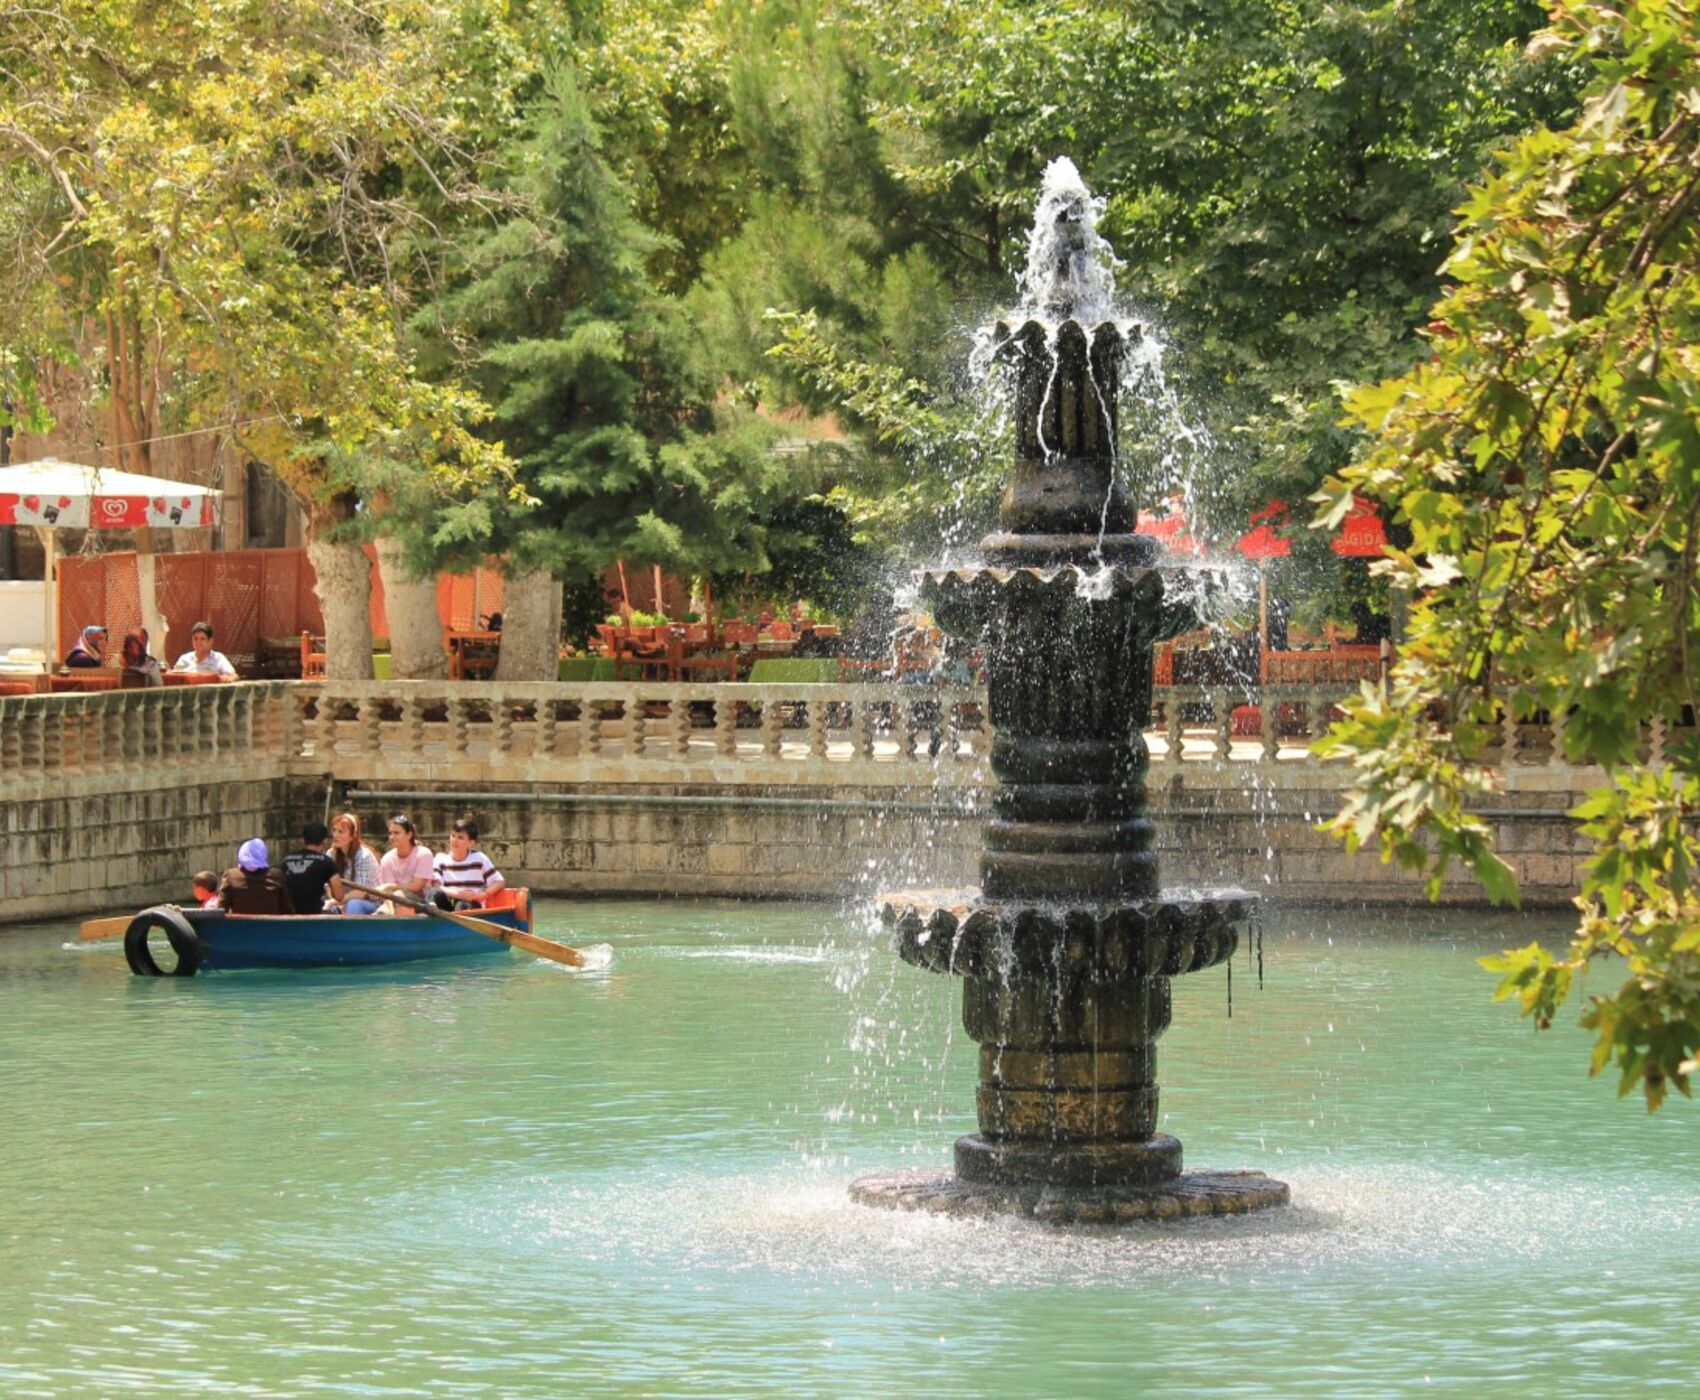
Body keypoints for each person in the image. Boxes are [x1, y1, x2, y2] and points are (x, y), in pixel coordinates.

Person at [431, 818, 506, 909]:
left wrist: (482, 895)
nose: (455, 840)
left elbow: (499, 882)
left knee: (462, 905)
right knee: (434, 893)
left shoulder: (479, 859)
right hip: (449, 902)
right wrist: (458, 895)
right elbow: (436, 886)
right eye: (453, 835)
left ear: (471, 843)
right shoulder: (440, 858)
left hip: (471, 903)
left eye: (460, 837)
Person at [217, 838, 295, 914]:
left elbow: (221, 909)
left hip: (240, 926)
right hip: (270, 926)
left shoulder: (231, 876)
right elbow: (287, 910)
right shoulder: (276, 876)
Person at [328, 811, 384, 915]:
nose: (335, 835)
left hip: (370, 903)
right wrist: (333, 901)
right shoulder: (331, 854)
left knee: (353, 904)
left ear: (353, 836)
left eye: (340, 832)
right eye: (334, 830)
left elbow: (360, 892)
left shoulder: (364, 855)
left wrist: (337, 901)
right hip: (342, 901)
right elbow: (327, 885)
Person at [377, 814, 434, 912]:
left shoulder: (424, 854)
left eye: (396, 833)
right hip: (394, 901)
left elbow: (416, 887)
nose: (392, 837)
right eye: (390, 833)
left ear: (409, 835)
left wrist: (392, 886)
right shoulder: (387, 859)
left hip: (422, 903)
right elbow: (389, 892)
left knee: (398, 896)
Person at [282, 821, 341, 913]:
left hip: (290, 914)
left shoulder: (286, 860)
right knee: (336, 910)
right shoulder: (327, 862)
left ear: (303, 840)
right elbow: (339, 896)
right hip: (314, 915)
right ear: (325, 841)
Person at [171, 621, 238, 678]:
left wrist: (227, 679)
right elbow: (174, 677)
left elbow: (234, 676)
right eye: (195, 639)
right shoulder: (184, 659)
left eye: (202, 639)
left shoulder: (218, 658)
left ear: (210, 641)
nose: (198, 642)